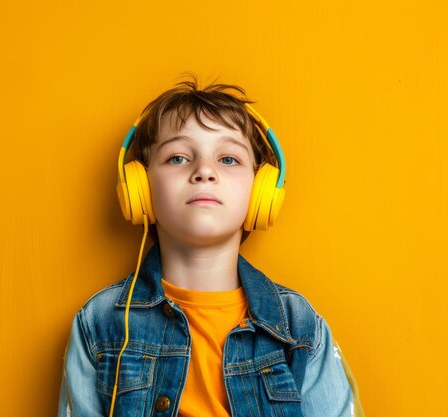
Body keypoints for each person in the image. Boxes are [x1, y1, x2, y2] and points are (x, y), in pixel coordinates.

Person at [58, 73, 364, 417]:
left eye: (228, 159)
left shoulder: (300, 328)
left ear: (262, 191)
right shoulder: (100, 323)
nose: (204, 171)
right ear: (140, 189)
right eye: (177, 158)